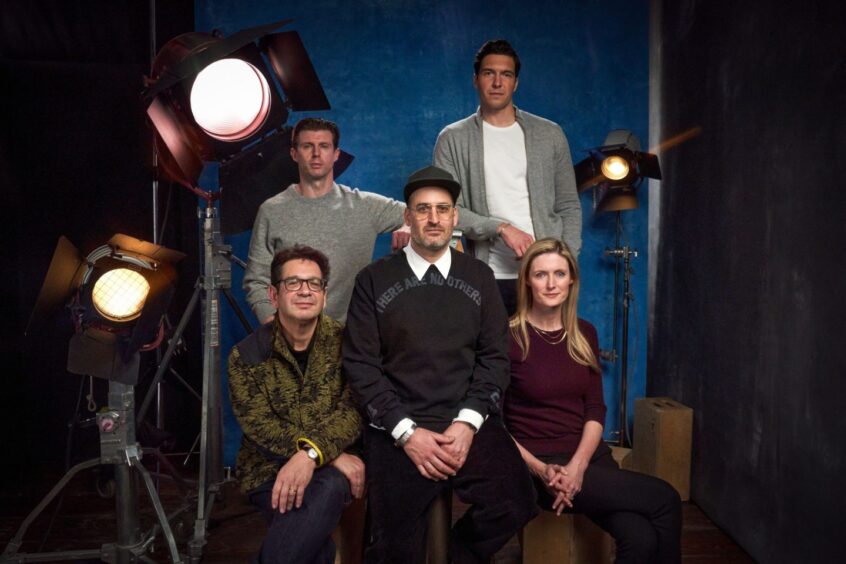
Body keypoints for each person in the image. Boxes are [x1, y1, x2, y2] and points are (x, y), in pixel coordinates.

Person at [343, 165, 538, 563]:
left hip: (465, 420)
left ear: (454, 217)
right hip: (397, 426)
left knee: (516, 503)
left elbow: (494, 358)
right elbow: (361, 366)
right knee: (392, 551)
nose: (433, 218)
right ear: (407, 217)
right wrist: (406, 433)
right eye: (423, 209)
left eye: (442, 209)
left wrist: (467, 425)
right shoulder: (373, 280)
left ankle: (458, 557)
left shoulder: (480, 277)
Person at [503, 238, 682, 563]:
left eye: (559, 273)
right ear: (527, 279)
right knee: (666, 499)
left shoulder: (584, 332)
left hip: (587, 460)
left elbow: (595, 408)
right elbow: (495, 425)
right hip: (542, 466)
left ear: (572, 279)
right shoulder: (509, 338)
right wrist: (543, 470)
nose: (551, 283)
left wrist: (579, 466)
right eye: (541, 274)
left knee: (639, 539)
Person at [228, 245, 365, 564]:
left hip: (334, 468)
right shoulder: (246, 356)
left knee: (328, 486)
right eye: (294, 283)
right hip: (268, 469)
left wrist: (311, 455)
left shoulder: (349, 344)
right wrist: (318, 454)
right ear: (274, 295)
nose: (305, 291)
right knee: (316, 545)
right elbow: (261, 427)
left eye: (314, 283)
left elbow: (355, 410)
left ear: (325, 294)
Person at [433, 39, 582, 315]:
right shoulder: (452, 138)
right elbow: (449, 212)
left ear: (516, 83)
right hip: (488, 276)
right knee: (491, 356)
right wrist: (501, 228)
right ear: (475, 79)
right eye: (489, 73)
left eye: (506, 74)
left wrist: (564, 261)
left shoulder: (549, 134)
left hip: (544, 277)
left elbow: (568, 206)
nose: (497, 82)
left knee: (544, 355)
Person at [244, 117, 409, 323]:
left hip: (354, 338)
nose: (316, 154)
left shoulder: (365, 206)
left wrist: (410, 224)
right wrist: (275, 327)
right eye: (307, 146)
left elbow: (434, 216)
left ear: (336, 154)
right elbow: (256, 280)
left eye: (324, 146)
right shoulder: (272, 211)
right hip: (294, 336)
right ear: (294, 154)